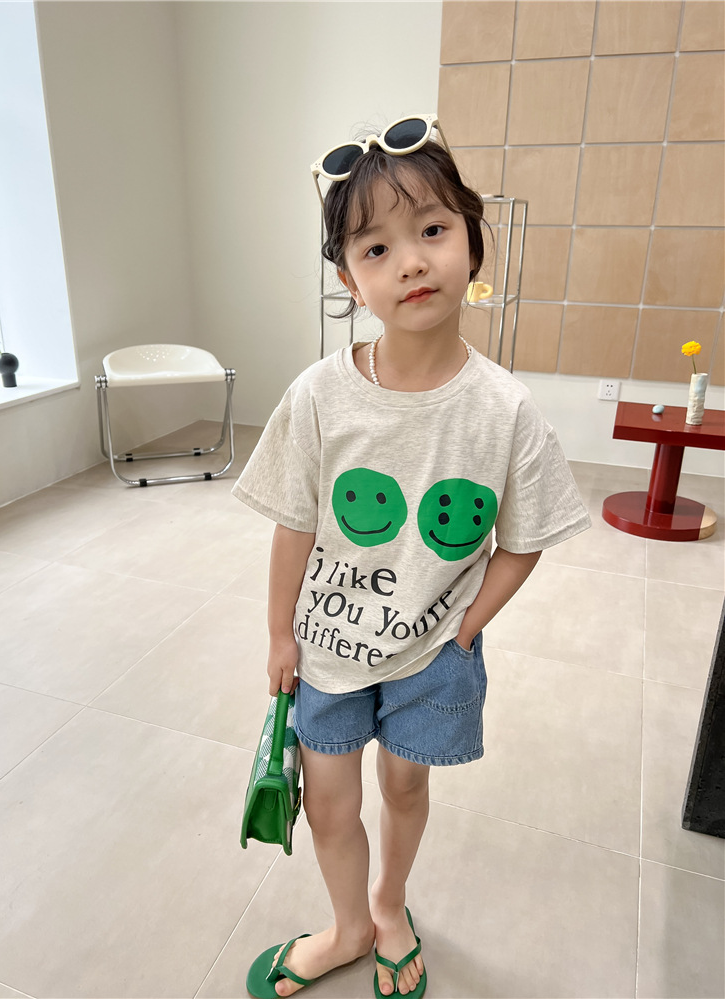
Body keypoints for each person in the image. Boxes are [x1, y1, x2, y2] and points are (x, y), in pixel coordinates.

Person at [233, 114, 591, 999]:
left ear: (472, 236)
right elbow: (292, 523)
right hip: (327, 649)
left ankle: (389, 906)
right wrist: (278, 633)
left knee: (402, 790)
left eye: (432, 229)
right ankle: (348, 924)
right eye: (377, 248)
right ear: (349, 278)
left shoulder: (505, 410)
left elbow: (524, 540)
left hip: (433, 655)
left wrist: (464, 628)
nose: (411, 263)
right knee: (329, 800)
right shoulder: (319, 396)